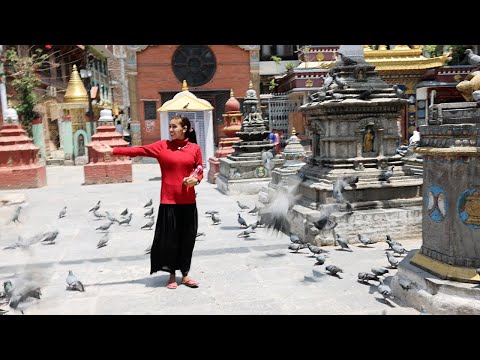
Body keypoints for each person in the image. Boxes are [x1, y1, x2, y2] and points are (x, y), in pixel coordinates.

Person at [108, 115, 203, 289]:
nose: (171, 130)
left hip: (188, 202)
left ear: (185, 128)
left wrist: (195, 179)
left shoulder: (195, 148)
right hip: (169, 202)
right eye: (170, 126)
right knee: (170, 240)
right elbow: (138, 150)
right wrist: (112, 150)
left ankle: (186, 274)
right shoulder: (162, 147)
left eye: (175, 127)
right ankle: (172, 275)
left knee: (187, 239)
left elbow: (199, 168)